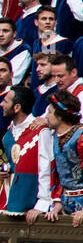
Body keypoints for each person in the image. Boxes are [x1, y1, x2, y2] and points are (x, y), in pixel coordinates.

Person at [42, 90, 83, 222]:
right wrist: (57, 203)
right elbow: (61, 175)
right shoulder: (56, 137)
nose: (46, 116)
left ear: (60, 116)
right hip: (67, 205)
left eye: (49, 112)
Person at [0, 86, 51, 217]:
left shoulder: (41, 131)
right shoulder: (8, 136)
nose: (1, 104)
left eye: (5, 101)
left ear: (16, 108)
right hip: (9, 201)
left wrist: (42, 203)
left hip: (31, 205)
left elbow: (46, 169)